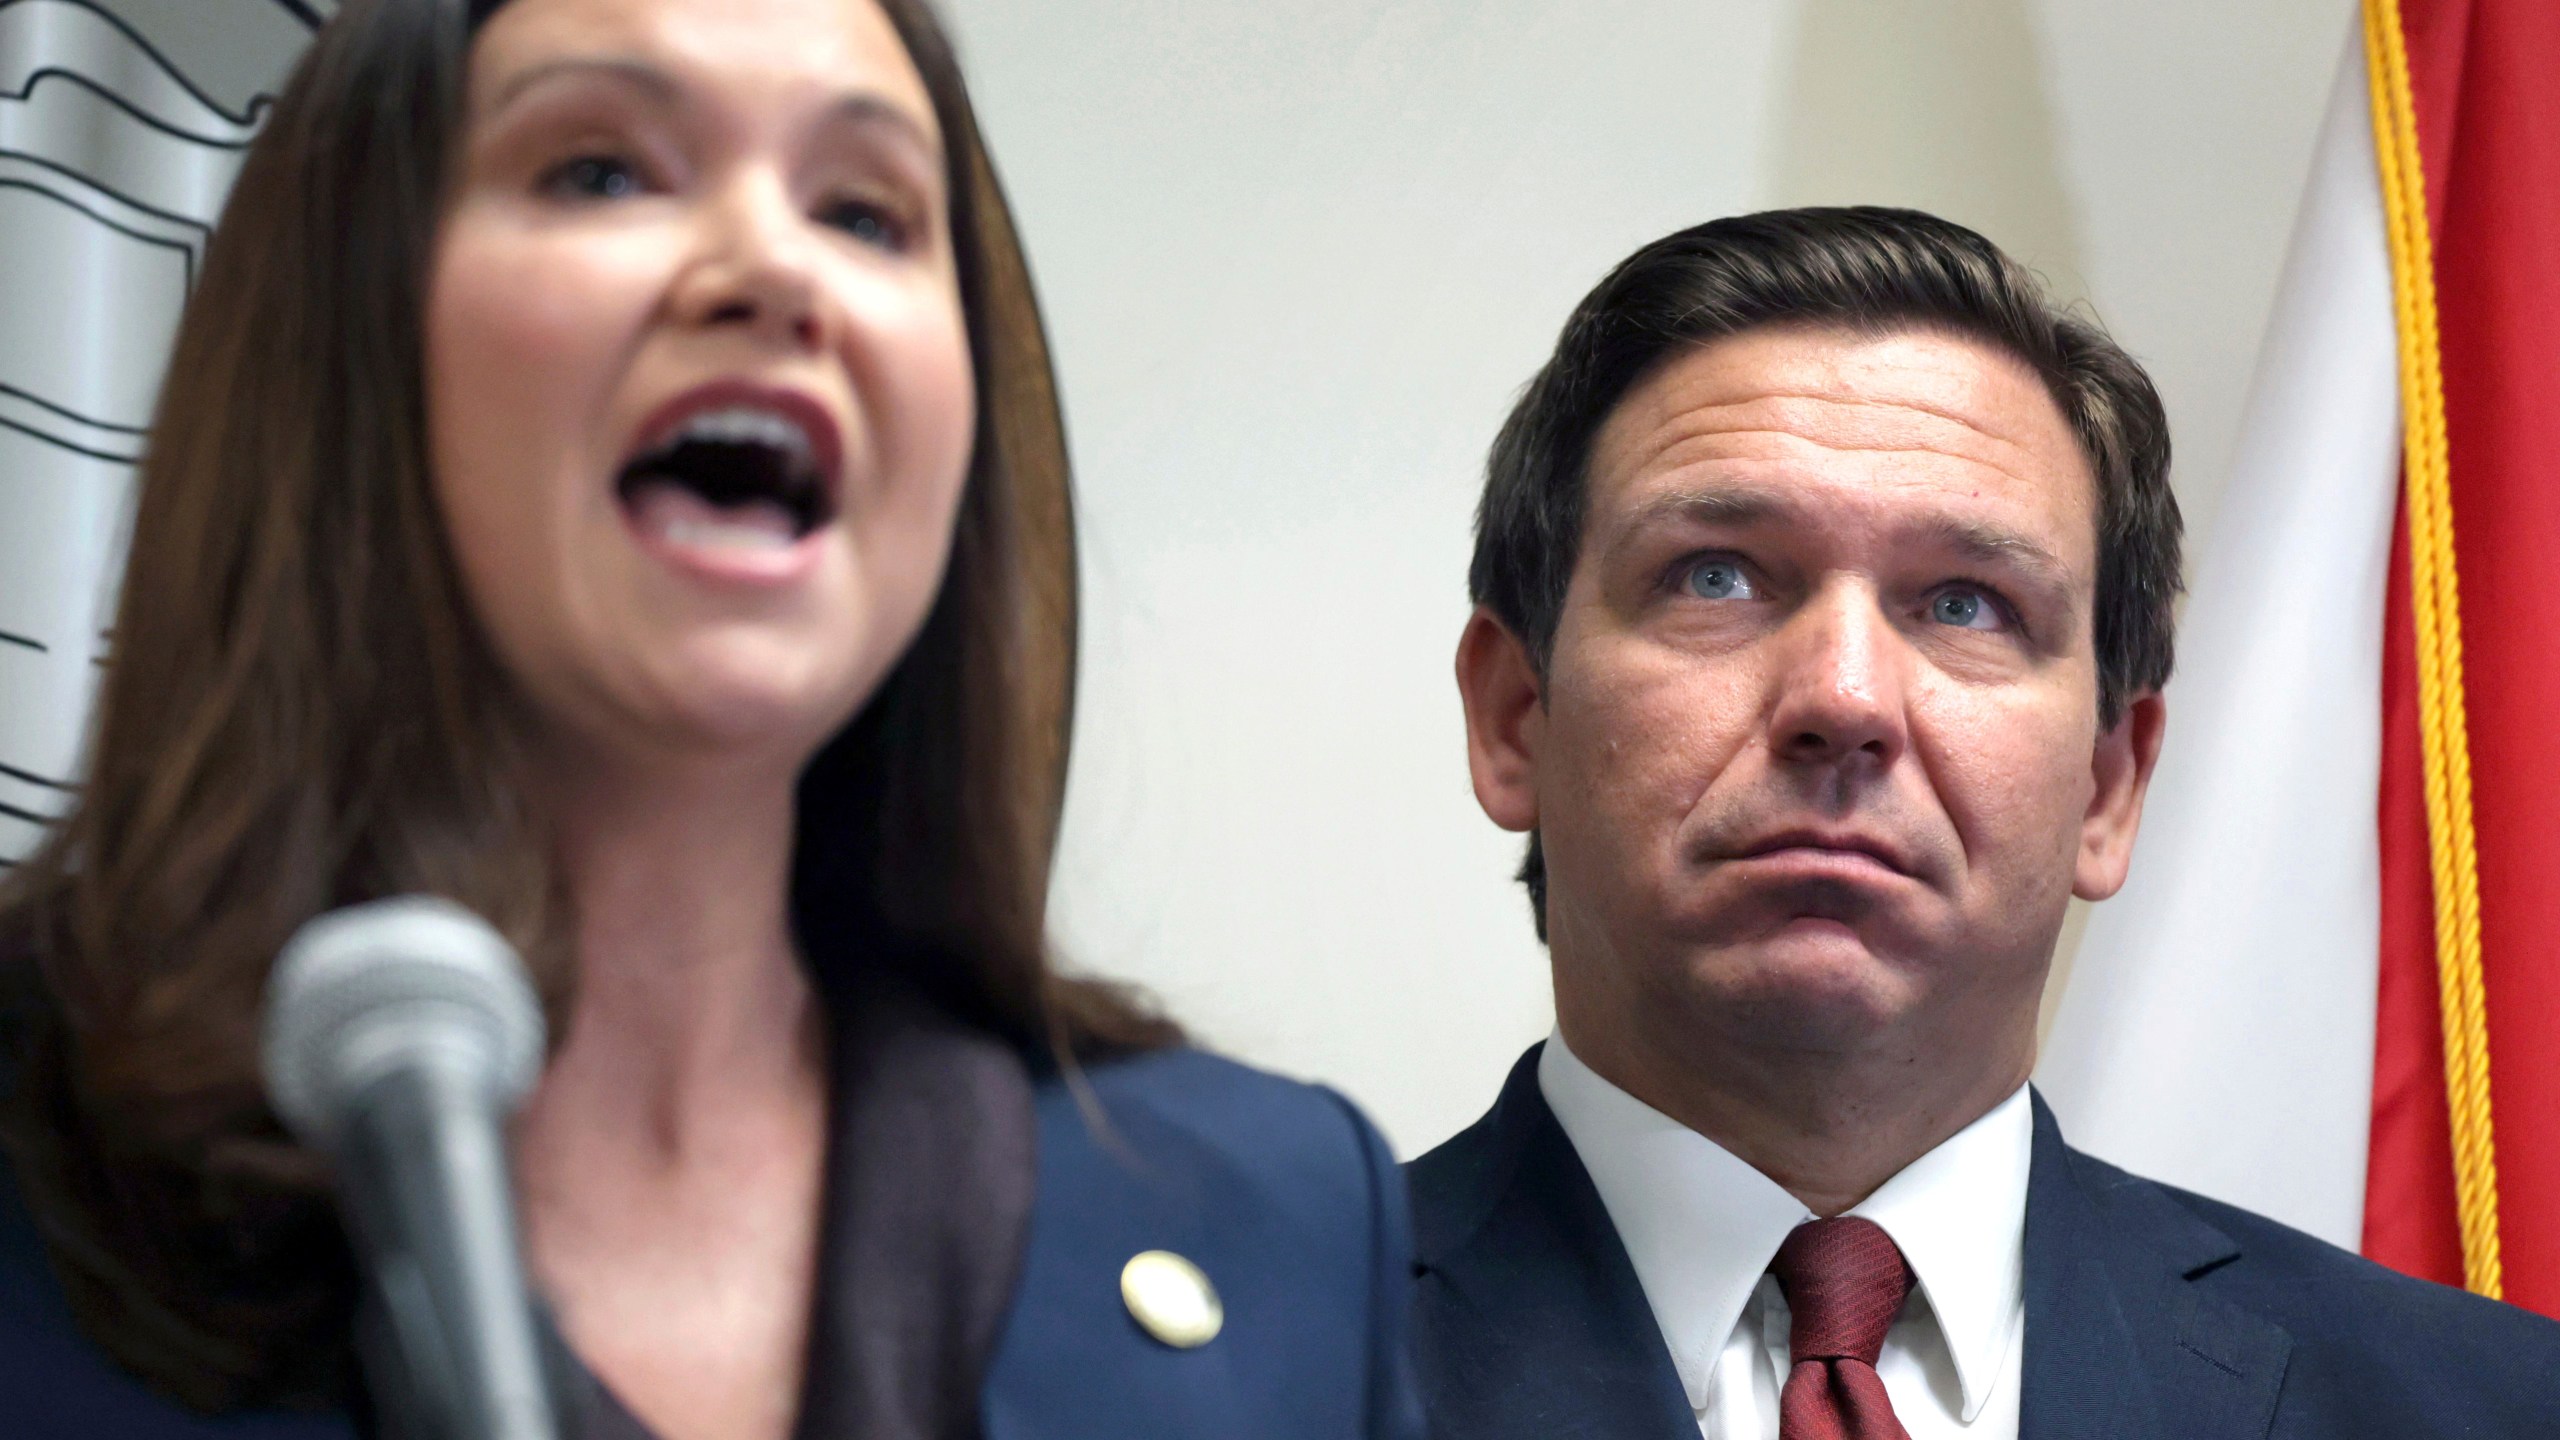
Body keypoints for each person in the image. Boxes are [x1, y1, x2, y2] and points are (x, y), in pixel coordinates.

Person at [0, 2, 1424, 1438]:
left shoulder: (1287, 1220)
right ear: (345, 324)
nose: (774, 273)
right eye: (601, 172)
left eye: (866, 213)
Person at [1413, 206, 2560, 1439]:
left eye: (1966, 602)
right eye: (1717, 575)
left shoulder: (2491, 1405)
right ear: (1515, 716)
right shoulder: (1232, 1367)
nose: (1844, 697)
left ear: (2109, 788)